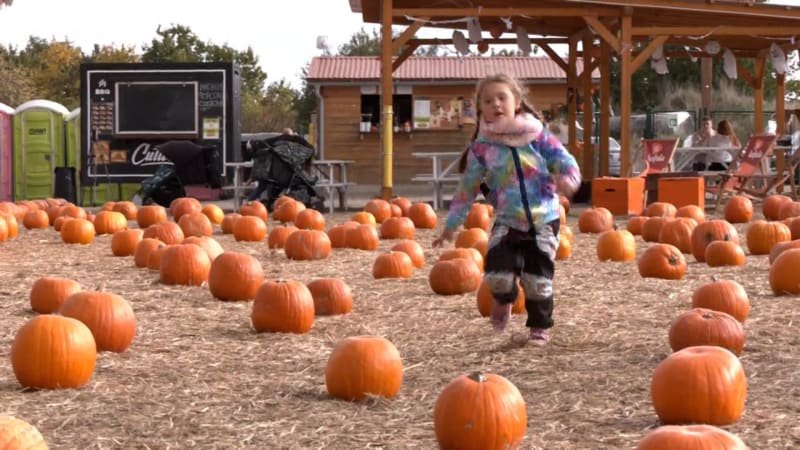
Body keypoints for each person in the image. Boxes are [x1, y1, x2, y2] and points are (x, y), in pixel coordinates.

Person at [432, 73, 581, 346]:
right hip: (508, 220)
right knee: (497, 276)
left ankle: (539, 327)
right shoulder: (482, 148)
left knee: (537, 282)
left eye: (502, 97)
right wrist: (452, 225)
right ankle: (504, 299)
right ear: (480, 109)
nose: (496, 104)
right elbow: (467, 188)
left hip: (544, 220)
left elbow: (564, 159)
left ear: (517, 102)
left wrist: (569, 179)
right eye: (488, 101)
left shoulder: (536, 136)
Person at [247, 128, 295, 201]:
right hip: (275, 175)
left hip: (271, 174)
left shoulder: (274, 144)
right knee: (268, 189)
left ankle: (250, 202)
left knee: (262, 188)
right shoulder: (288, 147)